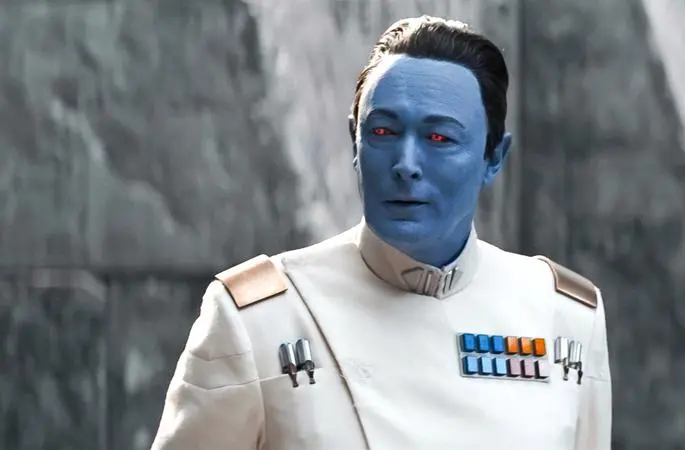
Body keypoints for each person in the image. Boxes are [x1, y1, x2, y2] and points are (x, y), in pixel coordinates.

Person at [151, 15, 611, 450]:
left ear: (494, 158)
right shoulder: (259, 318)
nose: (406, 165)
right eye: (384, 132)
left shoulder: (564, 316)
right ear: (355, 140)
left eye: (439, 138)